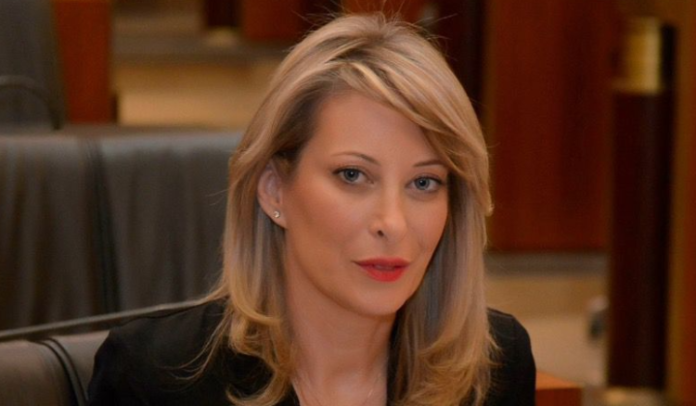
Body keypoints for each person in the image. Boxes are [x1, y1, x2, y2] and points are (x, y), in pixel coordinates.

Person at [87, 13, 535, 406]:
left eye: (424, 183)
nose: (393, 224)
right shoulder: (155, 379)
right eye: (353, 175)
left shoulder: (494, 369)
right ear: (274, 191)